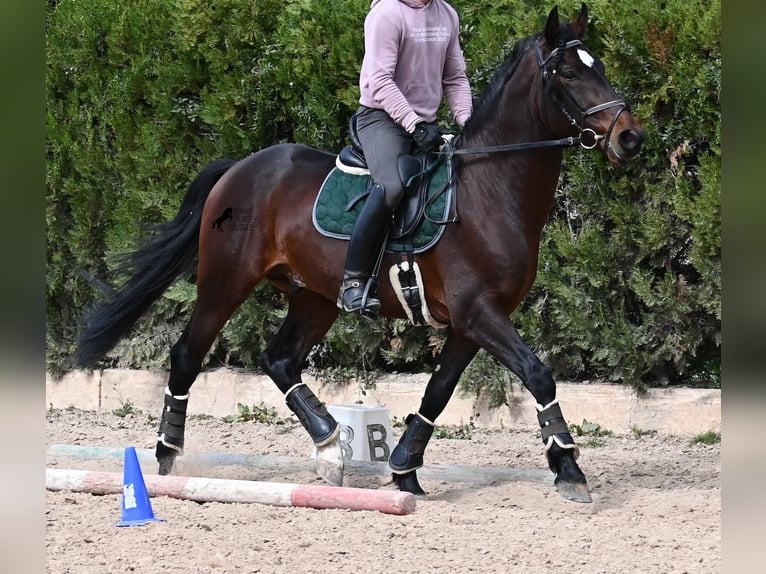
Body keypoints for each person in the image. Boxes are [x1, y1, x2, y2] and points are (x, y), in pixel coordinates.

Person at [337, 0, 473, 318]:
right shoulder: (387, 14)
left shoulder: (447, 14)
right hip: (382, 119)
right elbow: (379, 80)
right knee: (393, 184)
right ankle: (353, 282)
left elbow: (455, 78)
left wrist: (468, 122)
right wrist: (413, 124)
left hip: (423, 123)